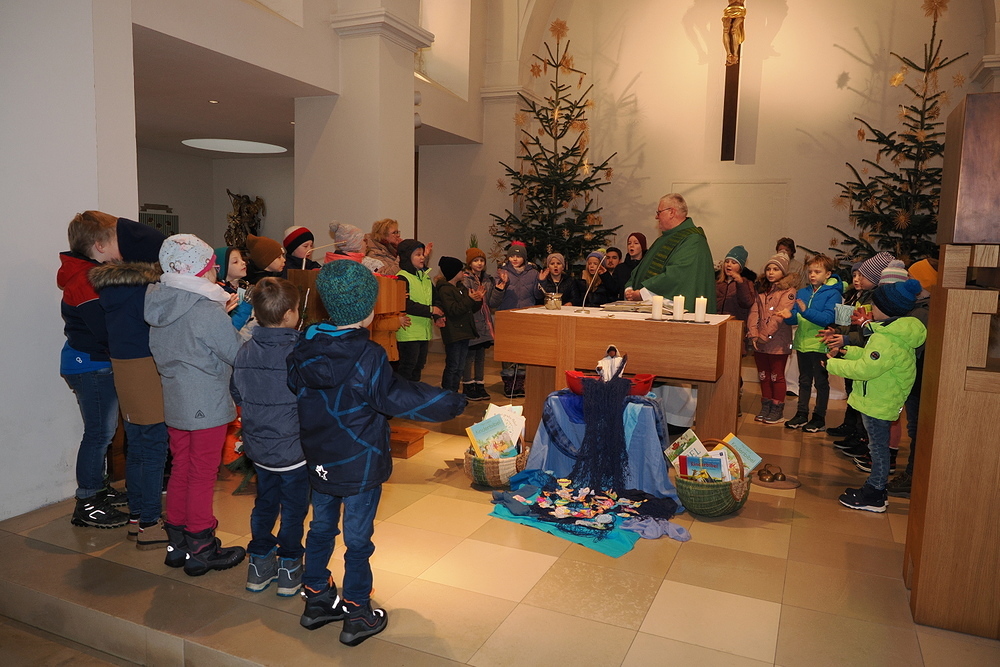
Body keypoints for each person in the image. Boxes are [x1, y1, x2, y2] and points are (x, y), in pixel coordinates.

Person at [288, 260, 466, 645]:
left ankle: (316, 599)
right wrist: (451, 402)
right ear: (367, 309)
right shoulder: (368, 355)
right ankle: (357, 613)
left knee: (320, 527)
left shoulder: (305, 346)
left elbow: (293, 383)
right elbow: (397, 396)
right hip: (360, 462)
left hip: (319, 459)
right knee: (357, 540)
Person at [145, 234, 247, 575]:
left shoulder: (161, 302)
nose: (215, 270)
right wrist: (235, 325)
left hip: (175, 397)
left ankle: (178, 543)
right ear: (201, 270)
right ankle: (202, 546)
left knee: (182, 468)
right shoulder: (205, 309)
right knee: (202, 473)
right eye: (212, 266)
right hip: (205, 400)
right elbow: (234, 353)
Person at [89, 217, 171, 547]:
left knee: (137, 447)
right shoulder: (145, 291)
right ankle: (150, 523)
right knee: (153, 450)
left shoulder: (114, 288)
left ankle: (137, 517)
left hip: (125, 370)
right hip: (145, 369)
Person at [230, 277, 308, 597]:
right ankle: (289, 565)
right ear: (290, 315)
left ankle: (259, 563)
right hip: (294, 451)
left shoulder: (245, 350)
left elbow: (237, 391)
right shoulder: (300, 352)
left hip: (259, 448)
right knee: (293, 509)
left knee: (264, 504)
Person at [826, 278, 926, 512]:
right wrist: (847, 351)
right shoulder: (892, 333)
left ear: (886, 309)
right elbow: (870, 357)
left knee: (878, 449)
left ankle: (875, 493)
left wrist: (832, 364)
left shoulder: (886, 338)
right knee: (877, 447)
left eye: (874, 305)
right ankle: (875, 488)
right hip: (881, 398)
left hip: (879, 402)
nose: (871, 308)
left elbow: (866, 369)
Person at [58, 210, 129, 529]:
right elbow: (104, 331)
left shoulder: (91, 274)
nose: (122, 246)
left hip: (94, 363)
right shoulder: (86, 280)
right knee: (99, 433)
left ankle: (98, 489)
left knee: (103, 431)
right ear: (100, 245)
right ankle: (88, 501)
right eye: (117, 240)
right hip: (90, 365)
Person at [819, 257, 881, 455]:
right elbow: (849, 324)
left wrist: (845, 338)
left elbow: (867, 331)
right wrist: (837, 332)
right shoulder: (855, 296)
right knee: (851, 390)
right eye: (854, 275)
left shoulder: (873, 299)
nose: (857, 279)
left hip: (860, 350)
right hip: (851, 348)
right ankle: (852, 428)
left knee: (859, 393)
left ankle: (861, 436)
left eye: (861, 275)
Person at [778, 253, 844, 432]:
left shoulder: (833, 294)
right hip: (803, 343)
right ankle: (801, 413)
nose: (812, 275)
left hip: (820, 344)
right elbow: (797, 318)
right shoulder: (803, 292)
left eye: (817, 271)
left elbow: (827, 318)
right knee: (804, 380)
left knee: (821, 382)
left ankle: (819, 417)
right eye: (810, 271)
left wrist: (806, 311)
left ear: (828, 274)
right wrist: (788, 316)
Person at [624, 194, 716, 312]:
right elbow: (641, 269)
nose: (656, 217)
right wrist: (630, 289)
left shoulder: (693, 240)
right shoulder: (663, 239)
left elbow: (678, 275)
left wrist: (642, 294)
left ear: (671, 212)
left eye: (659, 212)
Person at [745, 252, 796, 424]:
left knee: (776, 376)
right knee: (763, 375)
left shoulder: (788, 291)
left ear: (783, 272)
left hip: (778, 342)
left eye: (776, 269)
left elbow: (778, 318)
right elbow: (754, 312)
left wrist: (764, 336)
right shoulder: (761, 290)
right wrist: (753, 334)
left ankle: (777, 408)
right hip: (759, 341)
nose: (771, 272)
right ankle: (766, 405)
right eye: (769, 269)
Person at [489, 241, 538, 398]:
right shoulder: (501, 273)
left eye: (518, 256)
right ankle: (509, 383)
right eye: (511, 256)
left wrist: (542, 281)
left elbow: (538, 296)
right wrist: (501, 286)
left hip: (526, 318)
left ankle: (519, 384)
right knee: (508, 353)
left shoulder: (533, 273)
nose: (515, 259)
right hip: (507, 318)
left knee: (523, 352)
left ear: (524, 258)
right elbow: (493, 302)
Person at [395, 238, 442, 382]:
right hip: (409, 332)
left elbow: (434, 298)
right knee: (407, 367)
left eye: (423, 254)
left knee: (418, 366)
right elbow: (405, 304)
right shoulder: (402, 277)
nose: (422, 257)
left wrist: (437, 315)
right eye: (418, 255)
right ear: (407, 257)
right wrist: (431, 310)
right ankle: (402, 394)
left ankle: (414, 394)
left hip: (423, 331)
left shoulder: (425, 278)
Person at [437, 256, 483, 393]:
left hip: (464, 332)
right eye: (461, 270)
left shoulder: (460, 287)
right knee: (453, 366)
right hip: (454, 333)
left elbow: (469, 309)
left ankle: (455, 393)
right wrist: (469, 299)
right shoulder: (445, 290)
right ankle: (447, 394)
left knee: (460, 367)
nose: (463, 273)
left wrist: (477, 300)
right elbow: (454, 310)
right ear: (453, 272)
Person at [462, 246, 496, 401]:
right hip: (472, 322)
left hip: (484, 322)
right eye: (476, 260)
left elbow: (491, 302)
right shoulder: (466, 279)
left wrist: (499, 289)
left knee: (481, 355)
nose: (479, 263)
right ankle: (468, 384)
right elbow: (467, 301)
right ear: (470, 263)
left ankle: (480, 384)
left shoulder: (487, 279)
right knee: (469, 356)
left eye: (482, 260)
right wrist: (474, 298)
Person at [214, 246, 254, 330]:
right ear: (222, 267)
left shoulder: (244, 286)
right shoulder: (219, 294)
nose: (243, 262)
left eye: (242, 259)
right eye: (235, 262)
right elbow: (229, 327)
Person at [715, 245, 754, 322]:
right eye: (727, 261)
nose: (729, 264)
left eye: (733, 263)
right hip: (717, 322)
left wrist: (740, 283)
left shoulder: (746, 283)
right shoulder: (718, 283)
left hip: (734, 323)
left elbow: (747, 303)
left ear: (740, 267)